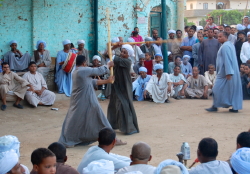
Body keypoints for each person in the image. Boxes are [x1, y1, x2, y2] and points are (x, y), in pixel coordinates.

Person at [58, 55, 124, 147]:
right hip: (86, 100)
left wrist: (107, 81)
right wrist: (108, 65)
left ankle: (70, 139)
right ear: (84, 62)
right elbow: (98, 71)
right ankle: (113, 139)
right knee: (100, 119)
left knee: (76, 120)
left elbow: (93, 82)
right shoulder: (82, 70)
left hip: (83, 101)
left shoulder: (78, 72)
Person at [206, 32, 242, 113]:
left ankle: (215, 106)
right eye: (217, 37)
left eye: (220, 37)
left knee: (216, 89)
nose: (218, 38)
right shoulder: (230, 45)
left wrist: (228, 72)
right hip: (230, 72)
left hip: (225, 73)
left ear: (226, 37)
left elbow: (227, 60)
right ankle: (235, 107)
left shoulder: (225, 46)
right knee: (233, 90)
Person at [107, 44, 139, 135]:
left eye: (125, 52)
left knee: (124, 105)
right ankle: (112, 125)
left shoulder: (127, 61)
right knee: (113, 105)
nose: (122, 53)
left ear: (128, 55)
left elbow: (113, 57)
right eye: (122, 51)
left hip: (124, 86)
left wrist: (112, 49)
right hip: (116, 85)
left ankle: (130, 128)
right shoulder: (119, 60)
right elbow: (108, 55)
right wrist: (112, 48)